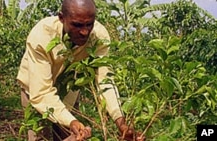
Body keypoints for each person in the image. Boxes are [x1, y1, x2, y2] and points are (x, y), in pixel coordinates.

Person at [17, 0, 143, 140]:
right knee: (40, 136)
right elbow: (41, 92)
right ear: (61, 18)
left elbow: (104, 80)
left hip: (69, 89)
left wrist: (121, 122)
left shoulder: (98, 37)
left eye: (89, 24)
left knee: (72, 135)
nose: (84, 32)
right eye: (77, 25)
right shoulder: (41, 36)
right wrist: (72, 121)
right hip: (36, 90)